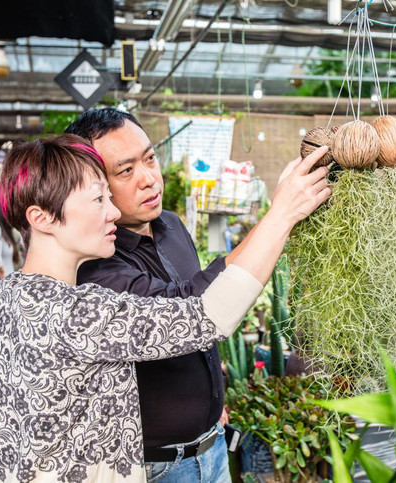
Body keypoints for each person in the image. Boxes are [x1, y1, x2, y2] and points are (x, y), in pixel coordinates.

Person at [0, 134, 331, 482]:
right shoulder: (77, 311)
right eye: (98, 200)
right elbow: (208, 316)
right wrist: (282, 214)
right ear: (41, 217)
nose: (112, 213)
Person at [66, 109, 268, 482]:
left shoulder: (171, 224)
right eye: (125, 171)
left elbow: (200, 326)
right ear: (95, 184)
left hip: (213, 447)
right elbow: (190, 307)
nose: (148, 179)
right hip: (160, 466)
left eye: (150, 158)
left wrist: (212, 400)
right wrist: (279, 219)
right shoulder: (96, 265)